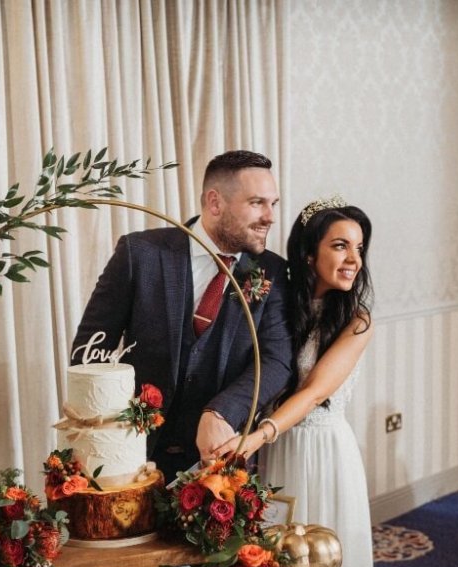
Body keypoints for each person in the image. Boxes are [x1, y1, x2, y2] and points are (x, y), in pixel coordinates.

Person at [216, 196, 433, 567]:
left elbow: (312, 393)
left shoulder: (356, 320)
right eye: (340, 245)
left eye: (359, 248)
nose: (353, 259)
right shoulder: (277, 306)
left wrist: (255, 437)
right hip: (279, 454)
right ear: (308, 252)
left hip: (323, 453)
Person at [70, 150, 293, 482]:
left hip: (218, 461)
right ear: (215, 202)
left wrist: (221, 411)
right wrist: (113, 427)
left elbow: (278, 362)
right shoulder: (139, 254)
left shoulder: (271, 271)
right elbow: (89, 351)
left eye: (273, 203)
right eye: (257, 202)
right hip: (132, 458)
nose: (270, 216)